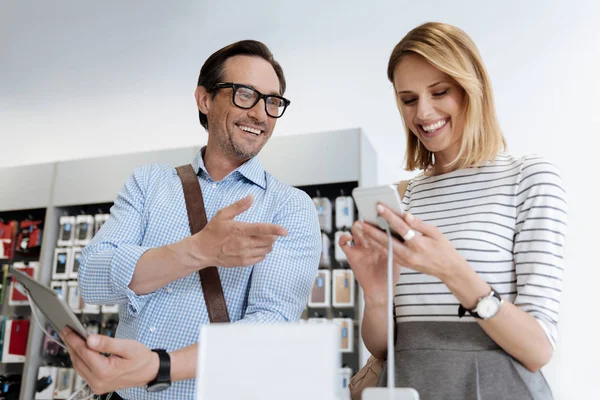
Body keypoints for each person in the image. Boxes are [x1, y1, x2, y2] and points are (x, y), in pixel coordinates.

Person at [60, 40, 321, 399]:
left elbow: (270, 326)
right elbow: (91, 280)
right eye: (245, 94)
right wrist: (198, 251)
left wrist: (159, 366)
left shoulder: (290, 207)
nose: (261, 114)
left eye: (272, 101)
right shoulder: (149, 183)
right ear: (204, 99)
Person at [340, 22, 566, 399]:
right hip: (408, 388)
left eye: (440, 92)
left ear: (471, 88)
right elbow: (382, 349)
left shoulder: (528, 178)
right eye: (409, 99)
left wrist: (451, 269)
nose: (423, 113)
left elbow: (538, 350)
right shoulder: (403, 196)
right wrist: (377, 296)